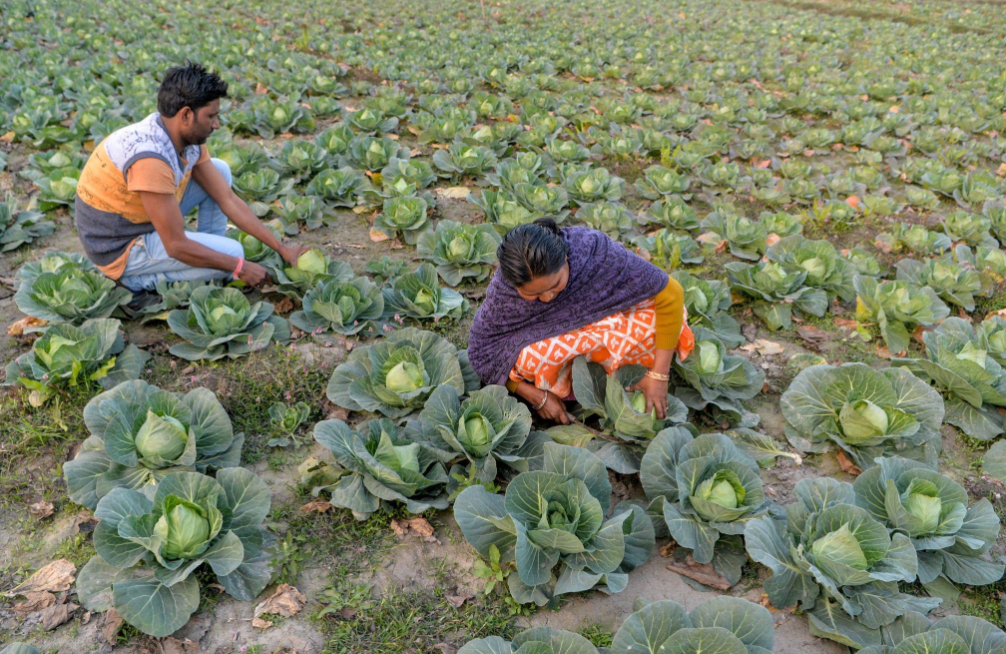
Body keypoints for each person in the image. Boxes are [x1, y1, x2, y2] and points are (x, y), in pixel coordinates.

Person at [74, 62, 307, 295]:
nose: (216, 124)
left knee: (221, 171)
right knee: (234, 255)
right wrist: (240, 267)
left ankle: (207, 256)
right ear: (186, 114)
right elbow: (175, 246)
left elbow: (228, 199)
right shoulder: (150, 158)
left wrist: (281, 248)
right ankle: (132, 281)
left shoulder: (183, 139)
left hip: (142, 219)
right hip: (120, 246)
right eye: (211, 116)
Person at [468, 218, 694, 425]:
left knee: (660, 321)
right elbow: (483, 351)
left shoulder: (592, 253)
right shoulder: (505, 291)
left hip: (604, 321)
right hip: (553, 344)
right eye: (534, 296)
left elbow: (670, 292)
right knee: (527, 359)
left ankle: (637, 378)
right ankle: (571, 389)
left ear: (566, 259)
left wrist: (660, 376)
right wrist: (536, 396)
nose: (547, 298)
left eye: (555, 284)